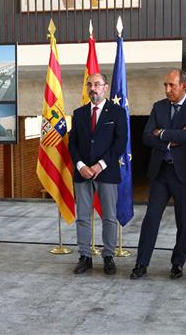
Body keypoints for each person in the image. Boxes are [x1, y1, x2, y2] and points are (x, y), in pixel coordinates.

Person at [130, 69, 186, 280]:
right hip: (161, 173)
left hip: (185, 175)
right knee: (151, 219)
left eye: (172, 85)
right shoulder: (158, 107)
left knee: (184, 221)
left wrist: (162, 133)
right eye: (165, 85)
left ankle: (178, 263)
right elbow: (146, 136)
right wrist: (174, 137)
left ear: (184, 86)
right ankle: (141, 263)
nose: (167, 89)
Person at [69, 73, 128, 275]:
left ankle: (108, 256)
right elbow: (73, 144)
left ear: (105, 87)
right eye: (89, 85)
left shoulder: (118, 113)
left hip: (107, 172)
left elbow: (120, 143)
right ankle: (84, 256)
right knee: (83, 217)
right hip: (82, 173)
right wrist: (80, 165)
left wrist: (99, 165)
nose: (93, 88)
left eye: (97, 84)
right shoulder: (78, 113)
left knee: (109, 217)